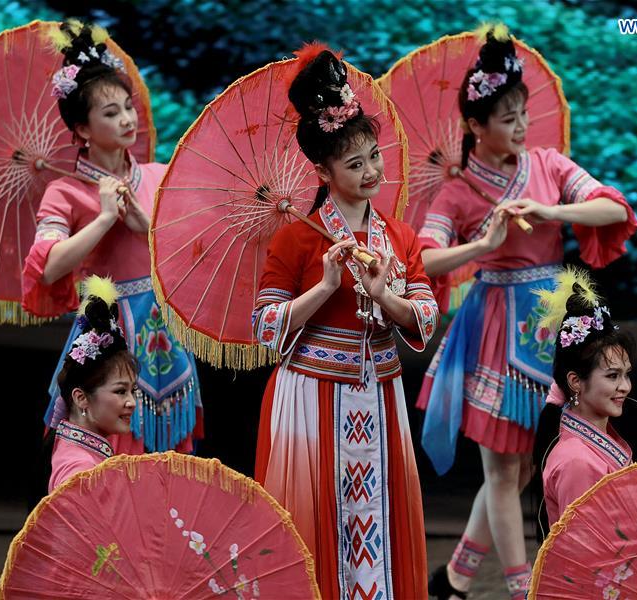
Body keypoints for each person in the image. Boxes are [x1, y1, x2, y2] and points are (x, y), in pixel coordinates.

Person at [419, 24, 637, 600]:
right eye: (507, 117)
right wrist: (483, 247)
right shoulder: (459, 191)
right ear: (475, 126)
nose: (520, 126)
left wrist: (549, 210)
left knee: (519, 471)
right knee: (502, 469)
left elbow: (611, 209)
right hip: (493, 326)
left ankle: (458, 578)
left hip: (554, 325)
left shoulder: (547, 164)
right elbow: (426, 258)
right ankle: (521, 588)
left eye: (523, 113)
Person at [252, 44, 438, 598]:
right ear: (322, 171)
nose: (371, 172)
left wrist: (387, 296)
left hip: (380, 395)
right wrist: (325, 287)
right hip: (309, 397)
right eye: (354, 164)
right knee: (315, 522)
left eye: (373, 157)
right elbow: (265, 327)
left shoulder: (399, 237)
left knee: (377, 520)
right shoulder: (297, 236)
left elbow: (424, 318)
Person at [22, 21, 200, 456]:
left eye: (127, 107)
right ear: (82, 129)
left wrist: (148, 228)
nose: (126, 119)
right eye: (110, 113)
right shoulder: (64, 191)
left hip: (164, 330)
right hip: (108, 328)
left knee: (169, 456)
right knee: (112, 453)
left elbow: (195, 253)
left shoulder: (160, 178)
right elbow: (47, 266)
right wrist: (103, 219)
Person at [533, 268, 634, 531]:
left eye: (626, 375)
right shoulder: (577, 461)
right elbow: (584, 552)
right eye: (613, 376)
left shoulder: (588, 447)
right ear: (576, 381)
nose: (624, 387)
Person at [49, 276, 138, 491]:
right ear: (81, 398)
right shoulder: (81, 470)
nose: (132, 402)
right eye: (120, 391)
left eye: (133, 391)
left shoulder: (84, 458)